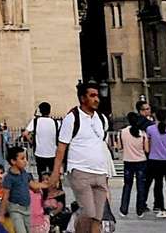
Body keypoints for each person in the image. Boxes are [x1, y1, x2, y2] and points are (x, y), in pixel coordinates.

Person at [50, 82, 115, 233]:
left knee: (98, 216)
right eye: (92, 96)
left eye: (97, 95)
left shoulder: (101, 119)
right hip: (80, 171)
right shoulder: (72, 118)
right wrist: (55, 172)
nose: (96, 99)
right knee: (88, 212)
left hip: (100, 171)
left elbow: (102, 145)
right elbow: (61, 147)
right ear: (82, 98)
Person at [145, 104, 166, 215]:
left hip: (154, 159)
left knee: (158, 184)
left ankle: (160, 206)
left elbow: (147, 144)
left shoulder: (150, 129)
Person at [120, 113, 151, 217]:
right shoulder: (142, 133)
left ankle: (124, 209)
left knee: (127, 185)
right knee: (141, 186)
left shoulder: (123, 132)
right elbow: (147, 149)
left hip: (128, 161)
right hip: (141, 161)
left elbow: (120, 147)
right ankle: (140, 210)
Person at [30, 103, 60, 183]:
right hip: (52, 153)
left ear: (40, 110)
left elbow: (25, 133)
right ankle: (54, 190)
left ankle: (42, 191)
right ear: (49, 111)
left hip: (39, 152)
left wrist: (32, 142)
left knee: (41, 174)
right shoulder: (56, 122)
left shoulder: (35, 121)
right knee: (53, 173)